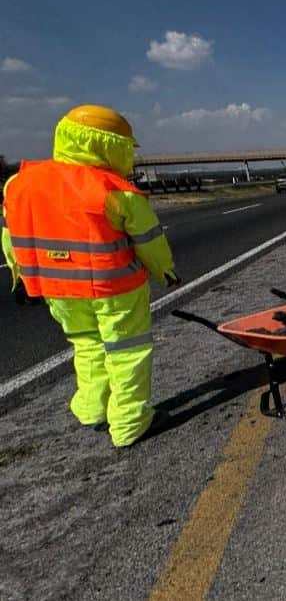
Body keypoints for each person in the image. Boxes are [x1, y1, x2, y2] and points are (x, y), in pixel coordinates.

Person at [2, 105, 178, 447]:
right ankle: (130, 423)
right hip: (114, 289)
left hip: (59, 290)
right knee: (127, 353)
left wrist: (19, 275)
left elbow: (11, 238)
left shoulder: (19, 184)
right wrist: (165, 271)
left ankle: (93, 409)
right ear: (110, 146)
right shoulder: (114, 190)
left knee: (87, 345)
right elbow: (150, 241)